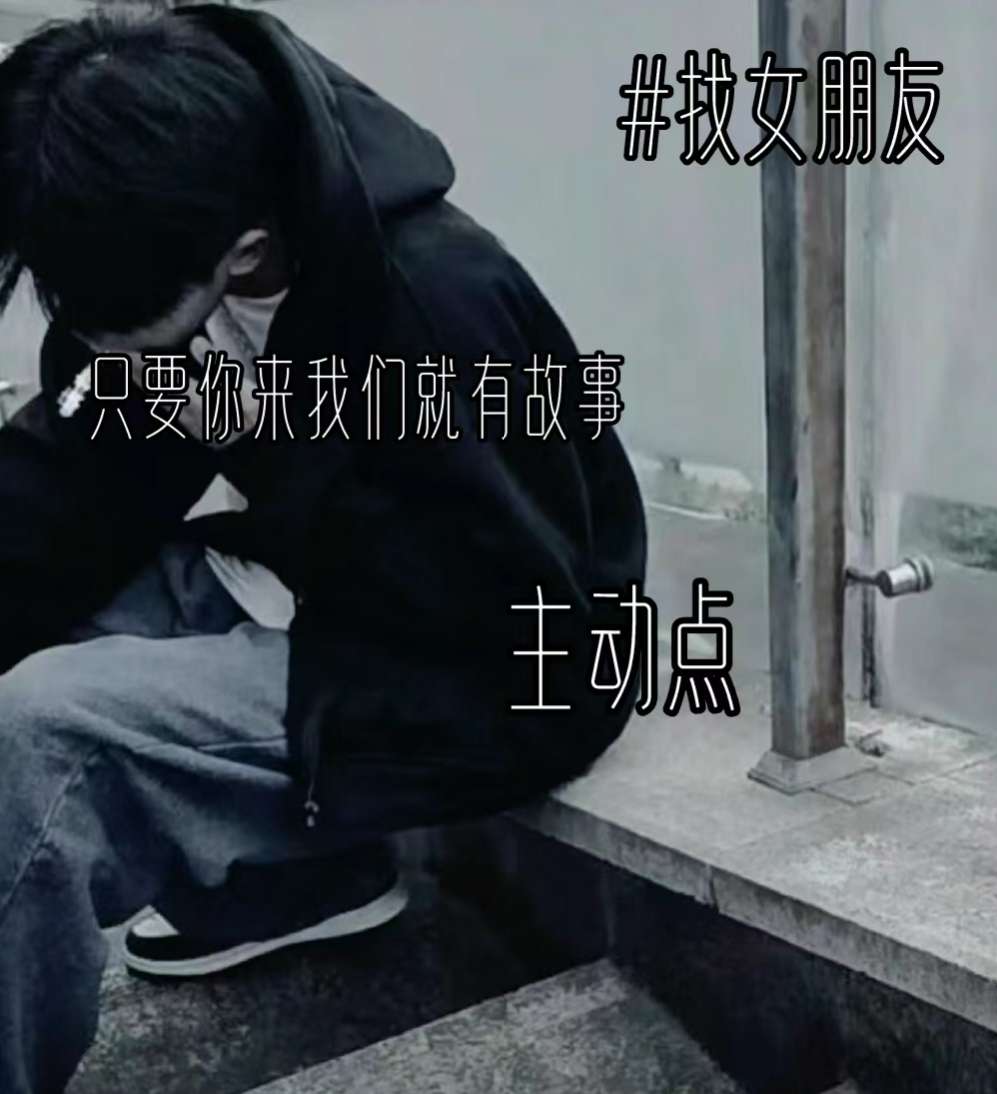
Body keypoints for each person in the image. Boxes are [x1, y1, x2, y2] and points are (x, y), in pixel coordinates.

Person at [0, 5, 647, 1091]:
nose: (85, 329)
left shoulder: (435, 296)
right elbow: (65, 495)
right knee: (44, 619)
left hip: (484, 670)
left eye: (108, 316)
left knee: (43, 730)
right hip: (313, 589)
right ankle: (288, 888)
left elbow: (502, 605)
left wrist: (266, 442)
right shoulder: (165, 234)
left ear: (246, 251)